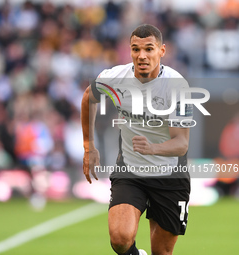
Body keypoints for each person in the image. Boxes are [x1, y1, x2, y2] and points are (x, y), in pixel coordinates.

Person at [81, 24, 193, 255]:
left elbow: (181, 143)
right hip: (131, 171)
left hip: (170, 175)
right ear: (129, 51)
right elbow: (88, 98)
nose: (141, 56)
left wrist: (152, 148)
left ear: (162, 51)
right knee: (120, 239)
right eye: (135, 49)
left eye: (149, 49)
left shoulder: (177, 86)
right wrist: (89, 146)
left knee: (162, 252)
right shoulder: (115, 77)